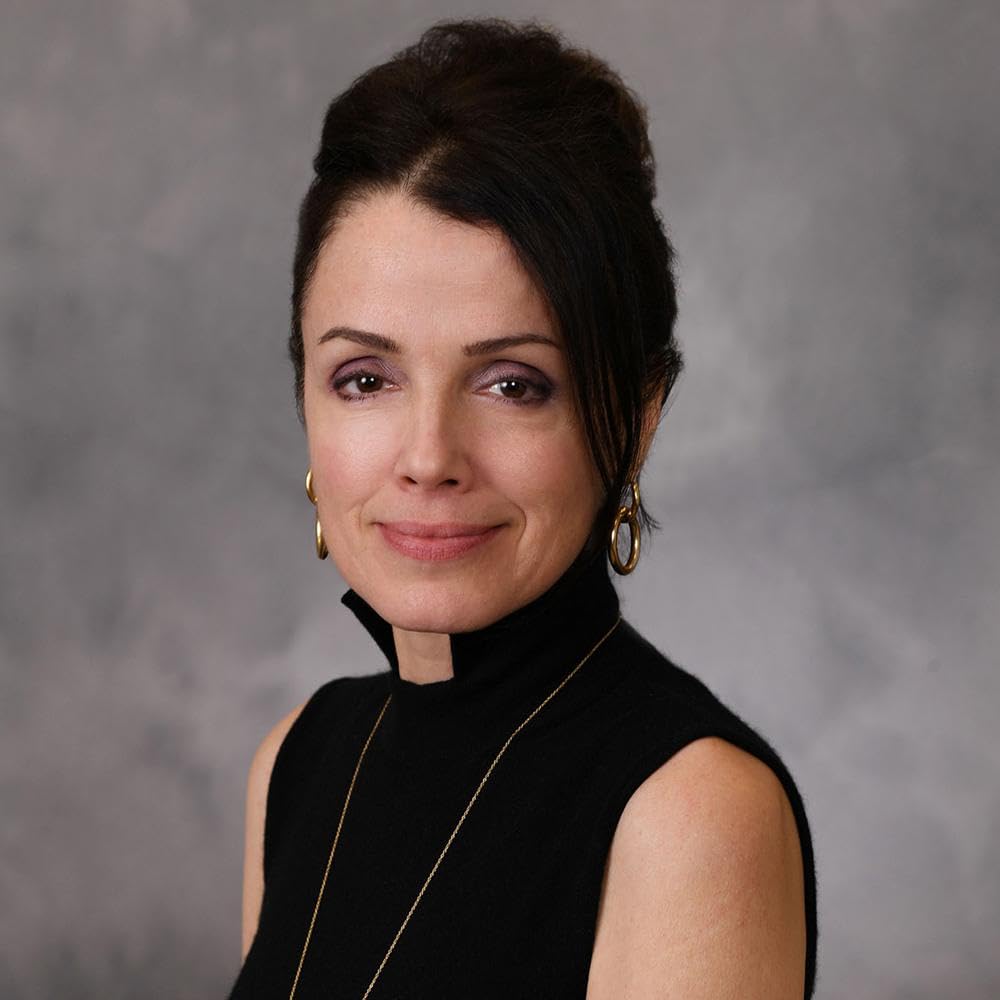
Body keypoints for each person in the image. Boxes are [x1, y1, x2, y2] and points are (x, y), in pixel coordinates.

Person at [228, 17, 817, 1000]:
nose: (428, 458)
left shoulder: (689, 814)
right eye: (365, 378)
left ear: (632, 421)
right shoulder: (297, 759)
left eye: (512, 384)